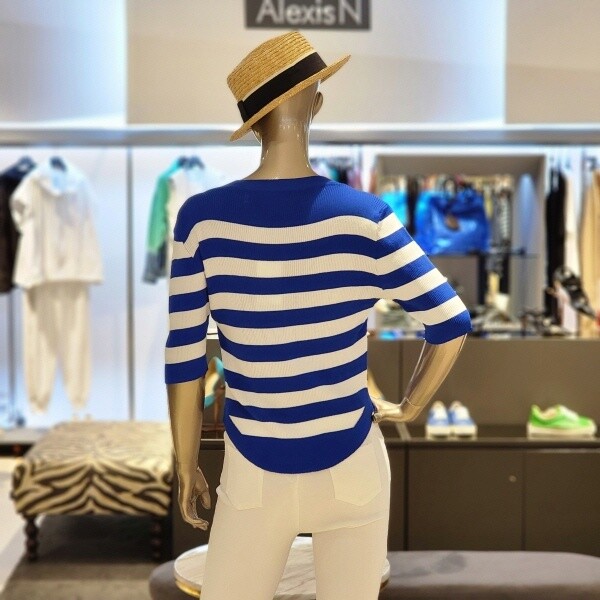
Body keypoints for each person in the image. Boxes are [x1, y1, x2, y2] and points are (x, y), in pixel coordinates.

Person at [165, 31, 471, 600]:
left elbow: (183, 355)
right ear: (317, 103)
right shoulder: (365, 216)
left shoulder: (201, 221)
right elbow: (451, 322)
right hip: (353, 462)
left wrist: (185, 464)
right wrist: (408, 406)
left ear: (254, 123)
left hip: (255, 468)